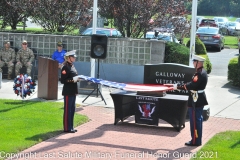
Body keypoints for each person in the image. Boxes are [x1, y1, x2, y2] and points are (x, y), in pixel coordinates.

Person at [170, 55, 208, 146]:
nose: (193, 63)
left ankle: (195, 141)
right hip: (197, 98)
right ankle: (197, 139)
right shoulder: (201, 72)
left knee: (195, 121)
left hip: (196, 100)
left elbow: (191, 85)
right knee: (197, 119)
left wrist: (177, 86)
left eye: (194, 62)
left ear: (198, 63)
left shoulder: (199, 74)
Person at [61, 50, 80, 133]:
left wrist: (78, 78)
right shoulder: (65, 67)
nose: (74, 58)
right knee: (68, 110)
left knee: (72, 109)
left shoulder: (72, 66)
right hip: (68, 91)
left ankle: (71, 127)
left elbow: (74, 77)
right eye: (73, 57)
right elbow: (63, 80)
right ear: (69, 58)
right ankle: (66, 128)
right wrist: (74, 79)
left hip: (73, 91)